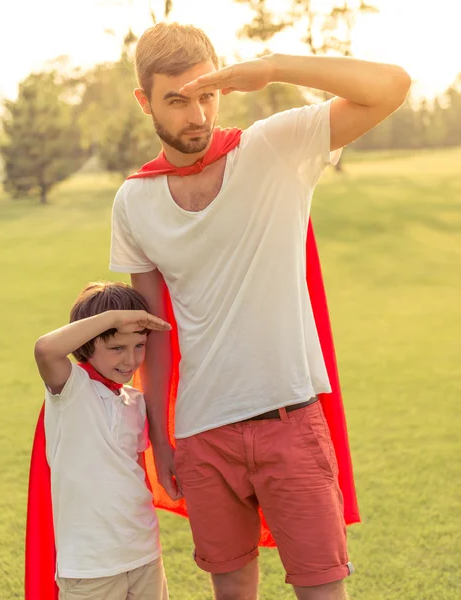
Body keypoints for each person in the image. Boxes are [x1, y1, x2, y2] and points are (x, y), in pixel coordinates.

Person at [109, 23, 411, 600]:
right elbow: (154, 330)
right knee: (232, 593)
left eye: (206, 95)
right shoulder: (134, 200)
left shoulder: (275, 147)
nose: (196, 114)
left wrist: (274, 66)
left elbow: (391, 85)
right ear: (144, 102)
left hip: (289, 419)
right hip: (201, 435)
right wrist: (161, 437)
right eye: (176, 100)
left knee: (323, 590)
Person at [33, 281, 171, 600]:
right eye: (116, 348)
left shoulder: (135, 401)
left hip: (143, 551)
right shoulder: (71, 389)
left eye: (139, 346)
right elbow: (45, 349)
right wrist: (112, 319)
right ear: (87, 344)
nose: (131, 359)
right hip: (90, 564)